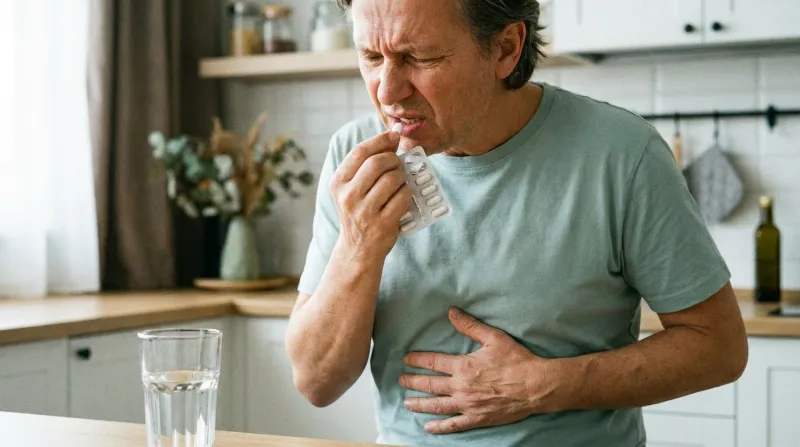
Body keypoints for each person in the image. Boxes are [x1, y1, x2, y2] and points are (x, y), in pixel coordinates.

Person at [285, 0, 749, 445]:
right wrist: (358, 244)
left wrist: (544, 384)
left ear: (506, 48)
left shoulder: (623, 154)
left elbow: (718, 348)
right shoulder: (357, 158)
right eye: (371, 56)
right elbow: (315, 382)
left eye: (420, 57)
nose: (387, 91)